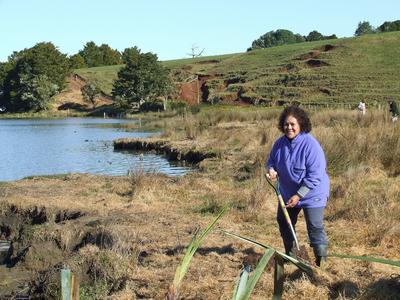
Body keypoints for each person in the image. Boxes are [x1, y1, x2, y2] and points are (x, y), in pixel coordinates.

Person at [266, 106, 330, 266]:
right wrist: (271, 170)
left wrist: (299, 195)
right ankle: (292, 254)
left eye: (293, 124)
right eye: (286, 124)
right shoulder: (279, 144)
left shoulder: (311, 145)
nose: (289, 128)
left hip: (312, 193)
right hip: (288, 192)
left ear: (301, 124)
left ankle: (321, 260)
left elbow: (315, 175)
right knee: (284, 221)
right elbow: (271, 161)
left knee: (314, 226)